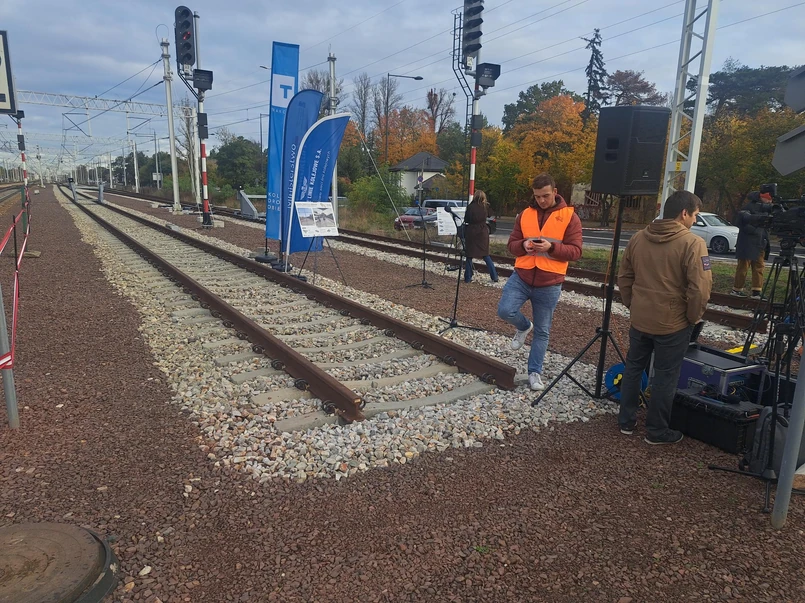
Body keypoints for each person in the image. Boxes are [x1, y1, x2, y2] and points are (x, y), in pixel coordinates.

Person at [618, 190, 713, 445]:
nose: (695, 220)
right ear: (684, 213)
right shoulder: (693, 244)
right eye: (695, 215)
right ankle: (656, 431)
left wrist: (632, 304)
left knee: (633, 368)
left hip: (640, 318)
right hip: (673, 323)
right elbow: (700, 289)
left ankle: (626, 421)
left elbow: (624, 276)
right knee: (665, 376)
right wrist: (692, 317)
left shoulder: (638, 237)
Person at [497, 173, 583, 391]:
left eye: (545, 196)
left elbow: (576, 251)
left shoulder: (570, 217)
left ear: (555, 192)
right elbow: (511, 245)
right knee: (505, 310)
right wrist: (523, 245)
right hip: (522, 276)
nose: (542, 200)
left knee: (543, 331)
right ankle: (524, 326)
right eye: (537, 196)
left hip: (550, 282)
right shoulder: (525, 215)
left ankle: (534, 372)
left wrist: (551, 248)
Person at [731, 190, 772, 297]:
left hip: (759, 242)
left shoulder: (763, 208)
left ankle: (756, 291)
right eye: (768, 199)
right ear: (762, 197)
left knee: (759, 267)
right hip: (748, 242)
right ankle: (737, 289)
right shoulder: (749, 207)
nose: (770, 201)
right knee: (743, 267)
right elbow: (740, 222)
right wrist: (755, 230)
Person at [463, 190, 499, 284]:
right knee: (485, 254)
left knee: (469, 255)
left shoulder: (470, 207)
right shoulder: (485, 206)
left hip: (471, 231)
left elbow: (466, 219)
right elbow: (490, 214)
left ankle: (468, 277)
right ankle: (494, 276)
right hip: (482, 232)